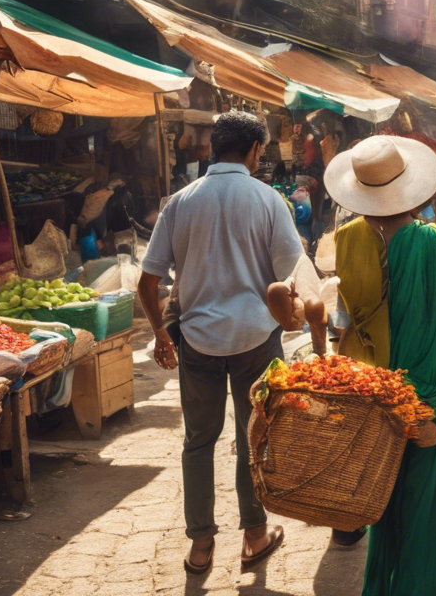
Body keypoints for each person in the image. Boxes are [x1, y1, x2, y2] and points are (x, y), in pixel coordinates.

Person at [137, 111, 303, 576]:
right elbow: (292, 274)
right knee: (255, 438)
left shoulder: (181, 202)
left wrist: (158, 333)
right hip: (257, 338)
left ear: (215, 148)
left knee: (198, 441)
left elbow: (147, 283)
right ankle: (254, 535)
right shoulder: (268, 200)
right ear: (253, 150)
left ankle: (200, 546)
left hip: (197, 339)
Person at [325, 136, 436, 596]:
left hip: (370, 395)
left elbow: (340, 320)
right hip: (427, 394)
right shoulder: (432, 242)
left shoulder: (344, 241)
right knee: (430, 507)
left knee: (384, 506)